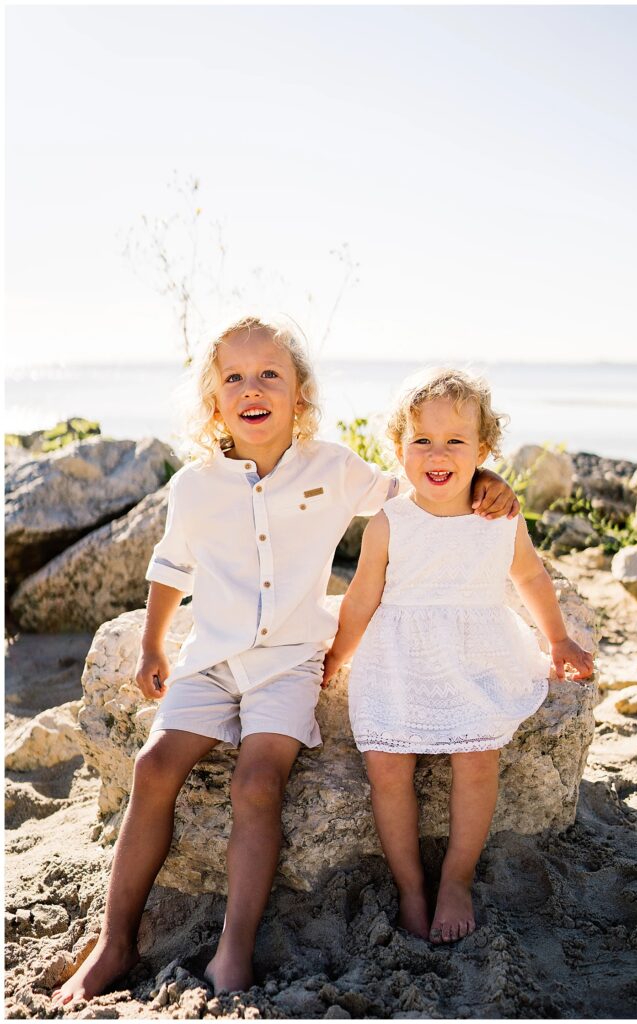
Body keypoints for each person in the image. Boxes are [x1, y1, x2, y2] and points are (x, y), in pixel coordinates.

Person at [53, 319, 520, 1006]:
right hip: (210, 655)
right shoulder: (195, 486)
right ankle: (115, 939)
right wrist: (153, 643)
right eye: (234, 378)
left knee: (257, 783)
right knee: (154, 768)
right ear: (213, 401)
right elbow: (170, 565)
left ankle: (232, 950)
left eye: (270, 374)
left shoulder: (332, 468)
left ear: (300, 394)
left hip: (291, 662)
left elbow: (419, 489)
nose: (252, 388)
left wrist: (483, 479)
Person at [323, 367, 594, 945]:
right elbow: (361, 599)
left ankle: (456, 878)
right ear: (398, 449)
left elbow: (530, 575)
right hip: (398, 660)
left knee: (478, 755)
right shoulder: (390, 521)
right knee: (387, 768)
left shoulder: (497, 516)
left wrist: (558, 638)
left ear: (483, 450)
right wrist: (336, 657)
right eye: (421, 440)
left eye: (455, 441)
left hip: (475, 657)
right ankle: (410, 886)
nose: (437, 453)